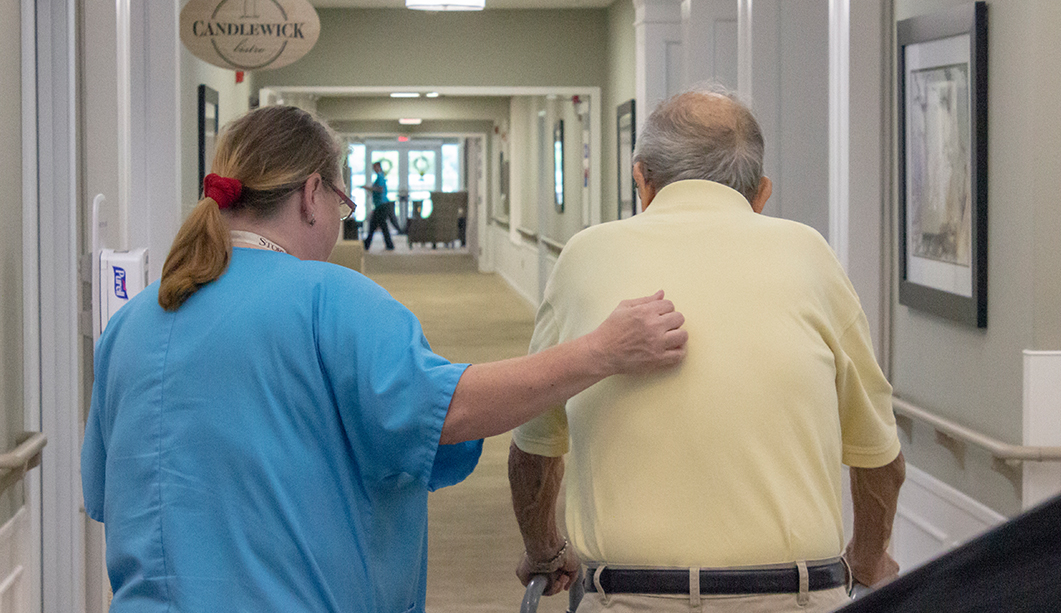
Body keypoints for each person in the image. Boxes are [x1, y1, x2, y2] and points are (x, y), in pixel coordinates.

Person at [80, 105, 687, 613]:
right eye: (343, 209)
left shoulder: (135, 321)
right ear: (313, 195)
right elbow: (450, 411)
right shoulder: (332, 299)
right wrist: (601, 350)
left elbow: (109, 495)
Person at [508, 89, 905, 613]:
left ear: (641, 180)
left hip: (628, 599)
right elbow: (878, 456)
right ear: (761, 193)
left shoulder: (585, 255)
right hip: (795, 598)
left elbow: (533, 449)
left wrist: (543, 551)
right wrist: (871, 558)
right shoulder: (810, 255)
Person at [363, 160, 402, 250]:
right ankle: (388, 245)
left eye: (375, 167)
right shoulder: (380, 176)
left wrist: (369, 188)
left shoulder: (380, 176)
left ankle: (367, 244)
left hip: (381, 205)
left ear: (379, 167)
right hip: (380, 205)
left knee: (374, 225)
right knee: (381, 225)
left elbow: (380, 189)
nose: (374, 169)